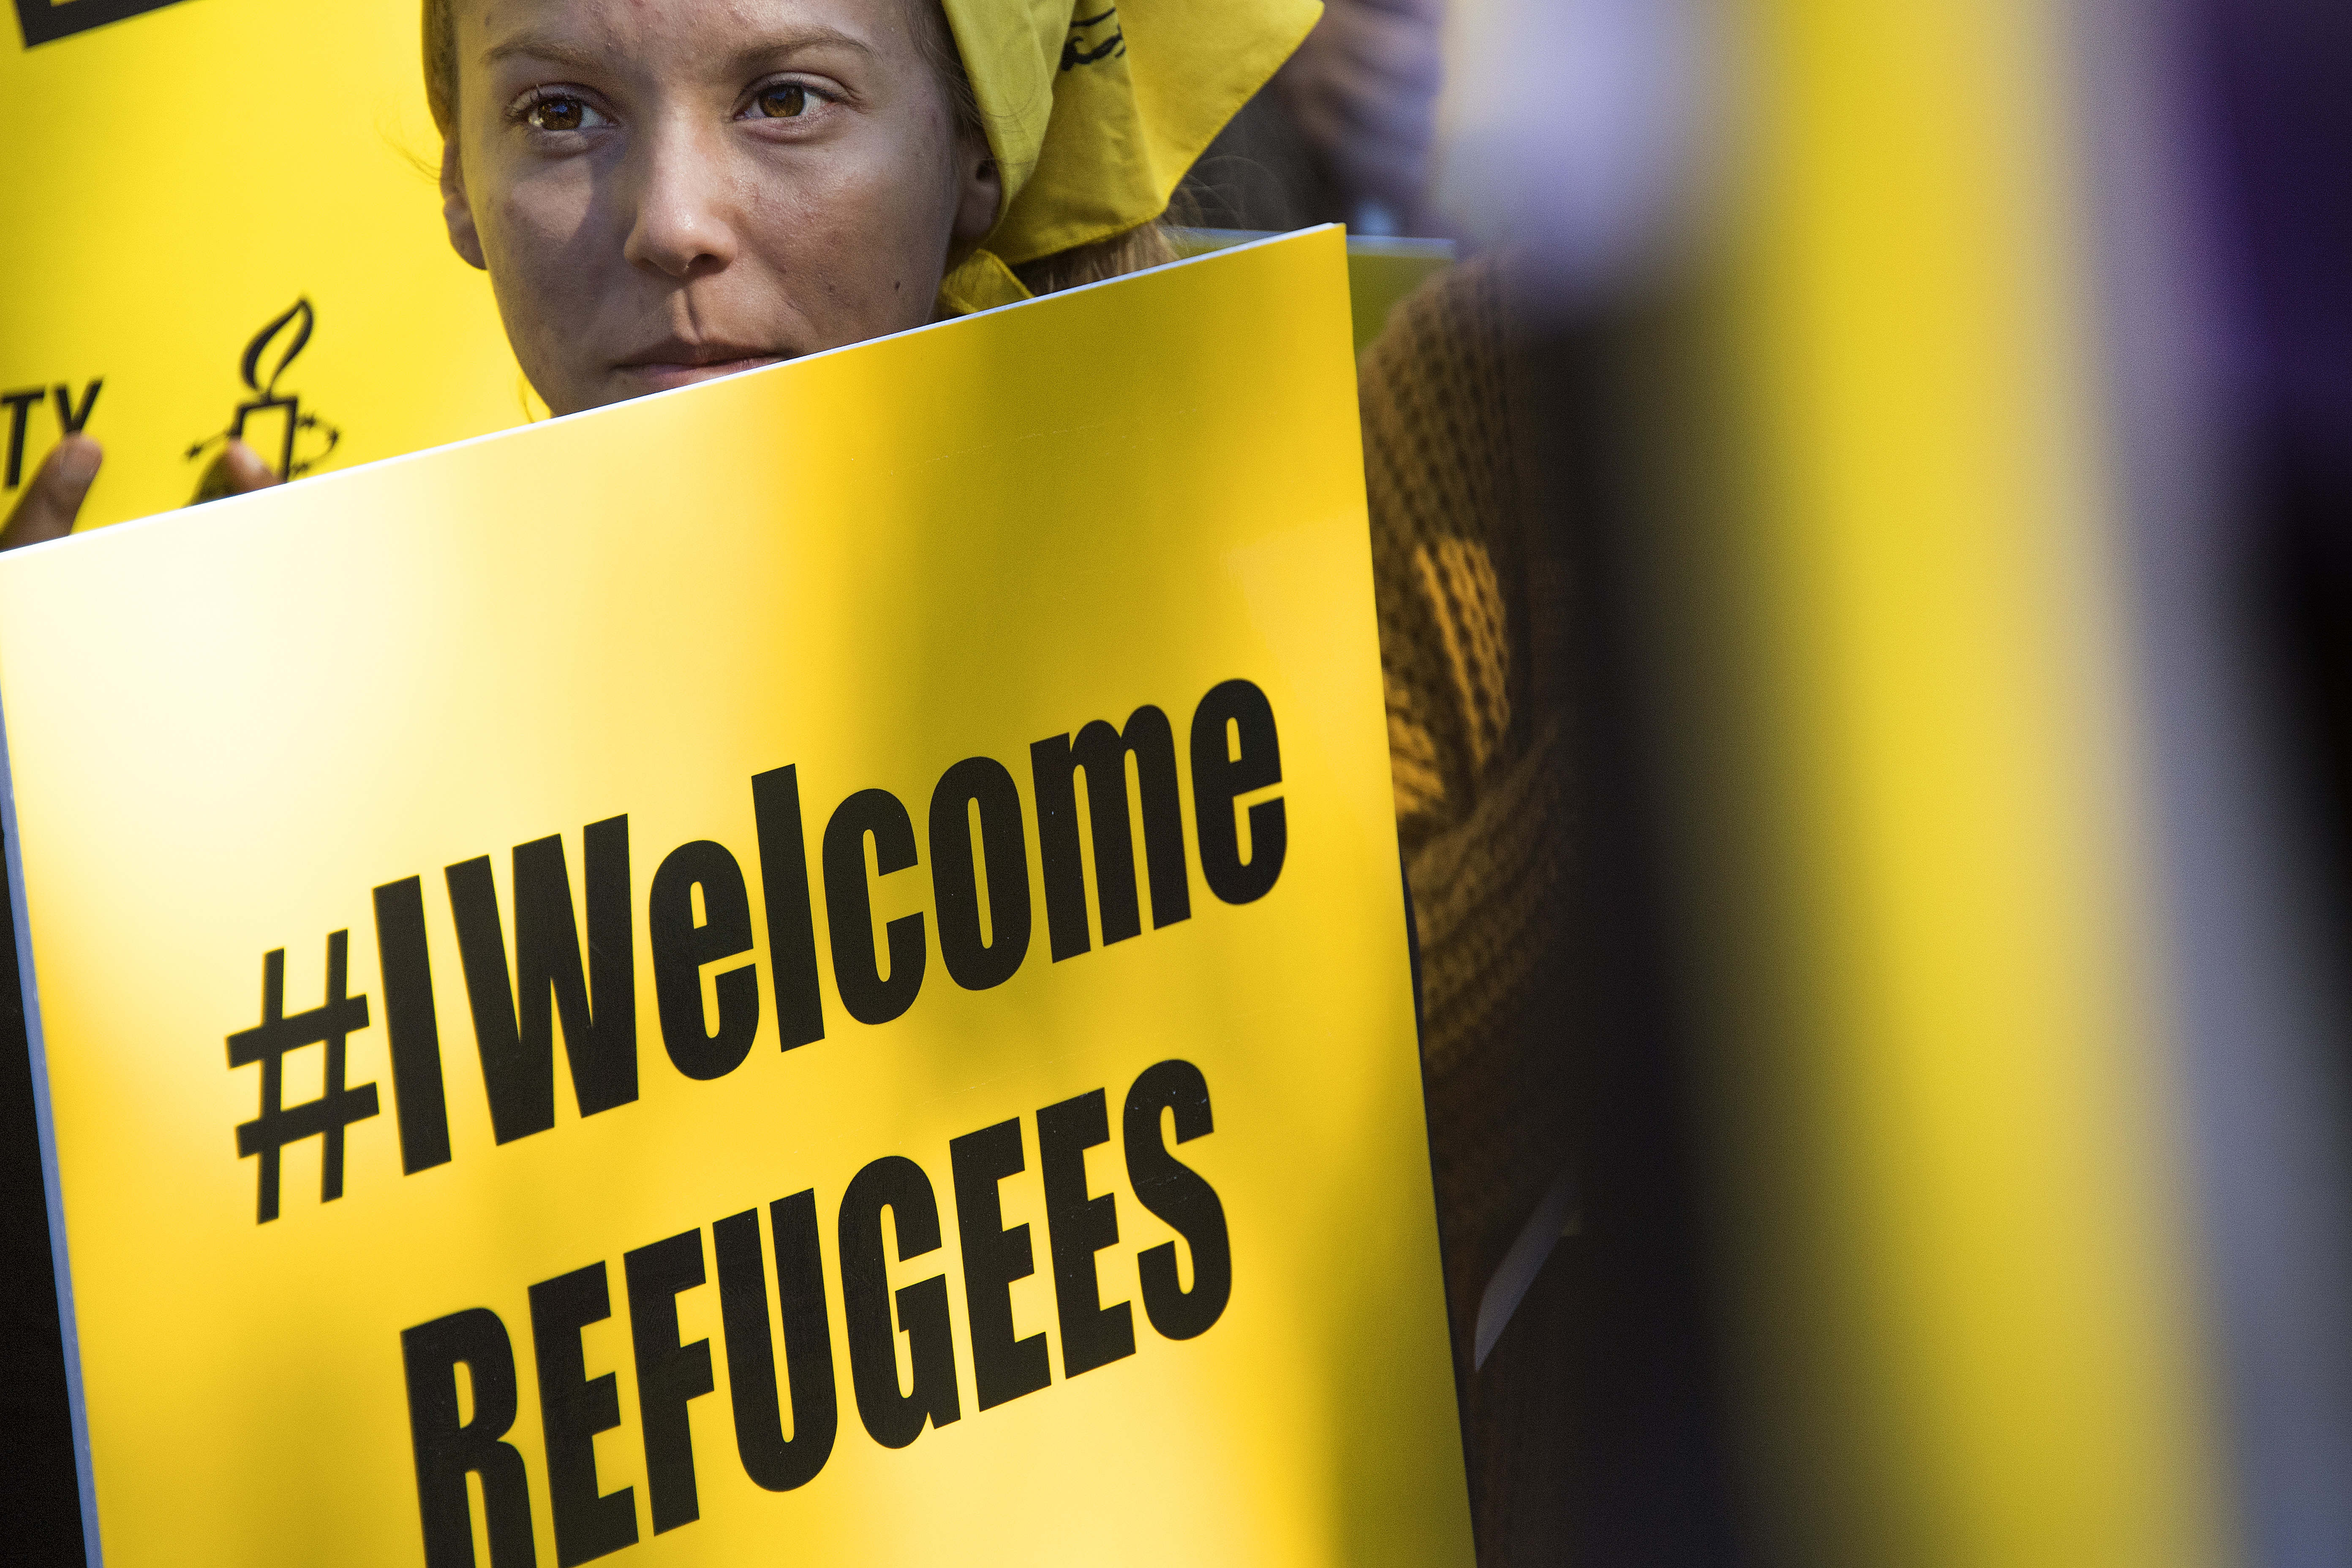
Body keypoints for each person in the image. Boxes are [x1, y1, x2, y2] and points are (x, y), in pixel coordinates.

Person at [0, 0, 1316, 551]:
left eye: (786, 99)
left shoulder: (1283, 633)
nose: (674, 225)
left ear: (981, 152)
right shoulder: (301, 720)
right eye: (563, 115)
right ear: (461, 179)